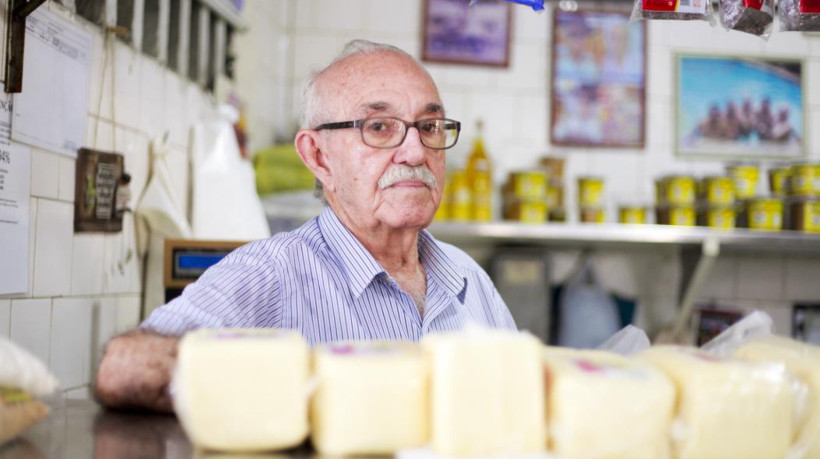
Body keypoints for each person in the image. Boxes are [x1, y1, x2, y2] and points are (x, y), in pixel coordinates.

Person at [94, 40, 516, 413]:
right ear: (317, 156)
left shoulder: (469, 279)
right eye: (379, 128)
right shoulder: (271, 273)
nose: (414, 151)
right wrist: (307, 385)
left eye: (429, 127)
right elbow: (124, 367)